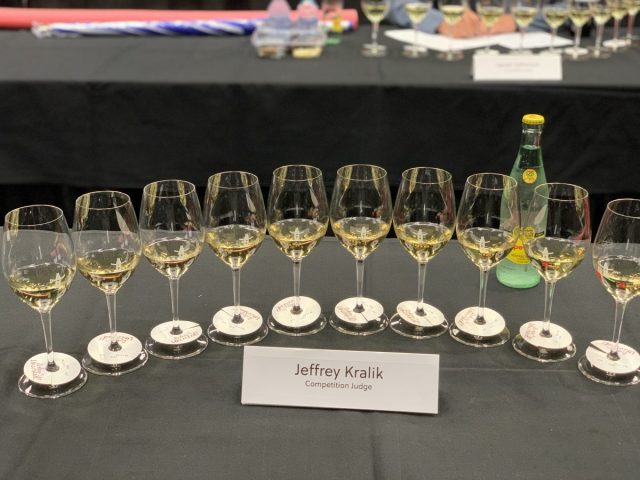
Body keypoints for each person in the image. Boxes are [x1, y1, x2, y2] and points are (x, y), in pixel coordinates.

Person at [387, 0, 549, 38]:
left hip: (525, 54)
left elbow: (563, 7)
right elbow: (394, 3)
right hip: (452, 55)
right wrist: (438, 21)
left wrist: (514, 20)